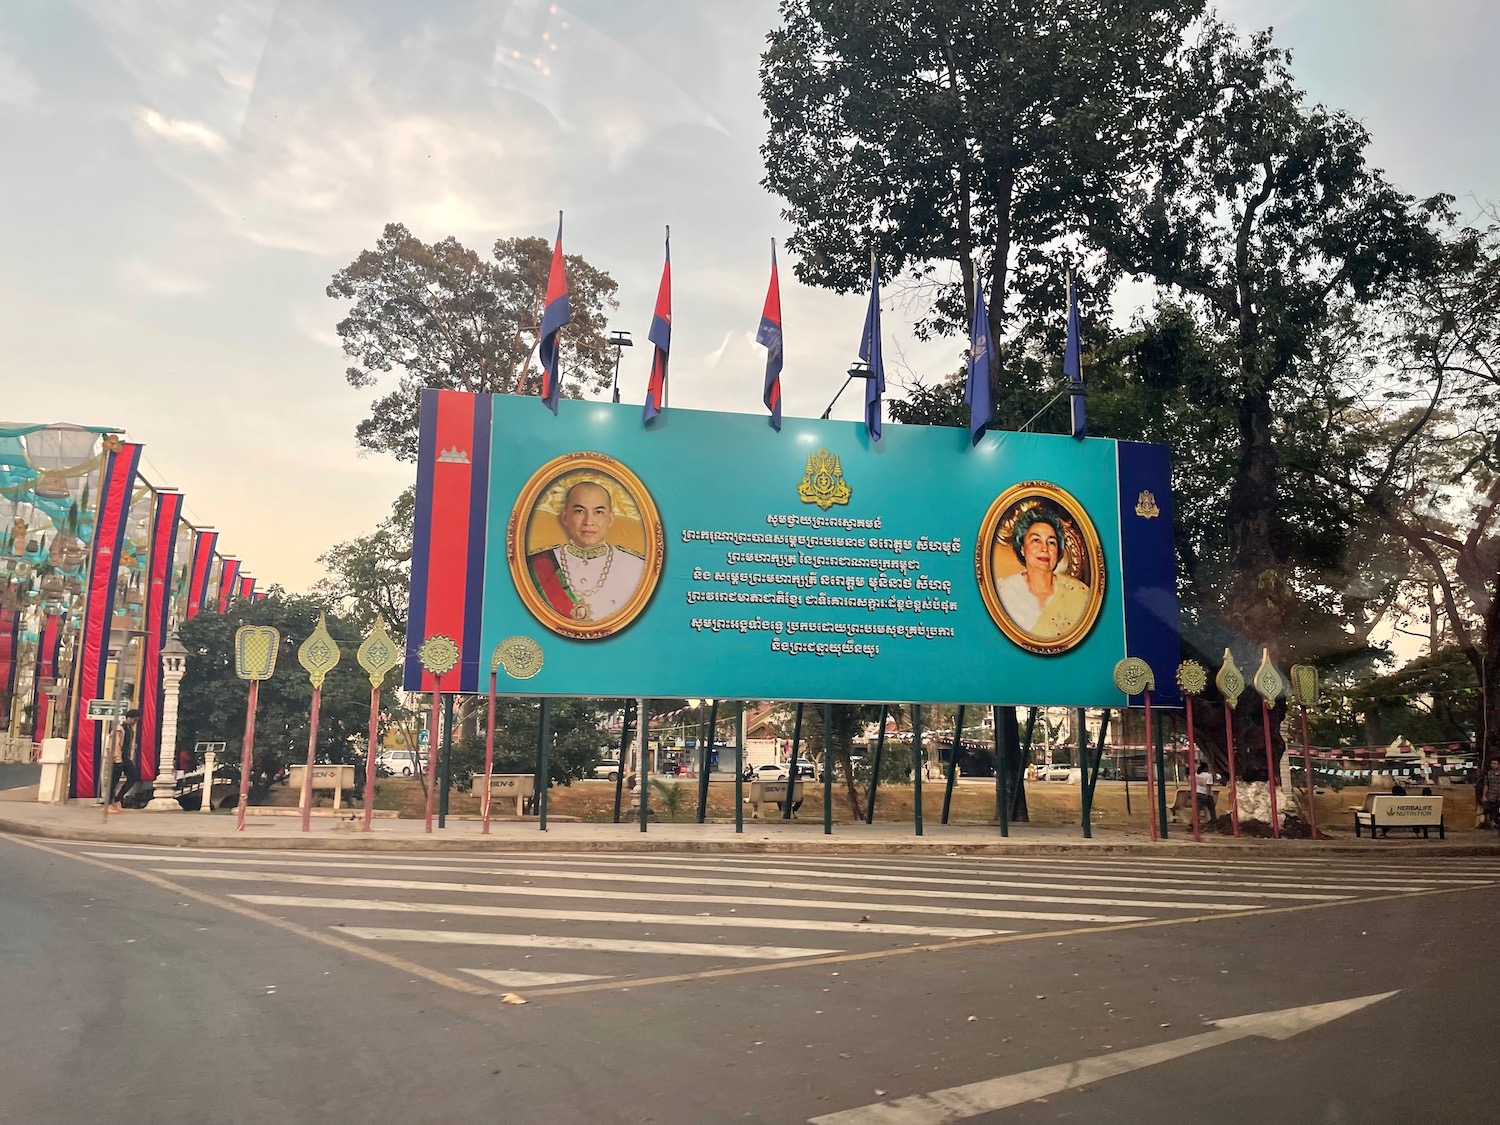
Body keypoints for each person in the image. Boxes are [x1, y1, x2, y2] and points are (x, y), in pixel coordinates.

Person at [526, 480, 646, 624]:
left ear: (610, 519)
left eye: (598, 512)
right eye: (579, 511)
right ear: (565, 517)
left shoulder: (638, 568)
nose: (589, 521)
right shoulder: (534, 566)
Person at [996, 508, 1092, 640]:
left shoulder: (1080, 595)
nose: (1044, 548)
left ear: (1058, 553)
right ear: (1023, 549)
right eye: (1036, 540)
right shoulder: (1003, 593)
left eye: (1051, 542)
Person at [107, 709, 140, 811]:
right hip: (117, 758)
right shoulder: (119, 729)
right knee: (113, 781)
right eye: (134, 720)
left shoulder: (130, 729)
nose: (135, 723)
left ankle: (118, 799)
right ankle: (109, 804)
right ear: (128, 718)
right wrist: (117, 759)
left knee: (133, 777)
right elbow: (115, 745)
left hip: (126, 758)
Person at [1193, 761, 1216, 825]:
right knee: (1211, 809)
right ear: (1206, 768)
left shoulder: (1196, 775)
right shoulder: (1208, 776)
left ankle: (1194, 822)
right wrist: (1207, 794)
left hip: (1198, 793)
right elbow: (1208, 786)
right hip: (1206, 794)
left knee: (1197, 809)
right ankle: (1213, 821)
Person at [1481, 759, 1500, 832]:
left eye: (1495, 763)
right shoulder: (1489, 774)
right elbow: (1486, 785)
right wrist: (1484, 796)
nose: (1493, 765)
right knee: (1492, 813)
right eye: (1492, 763)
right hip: (1492, 796)